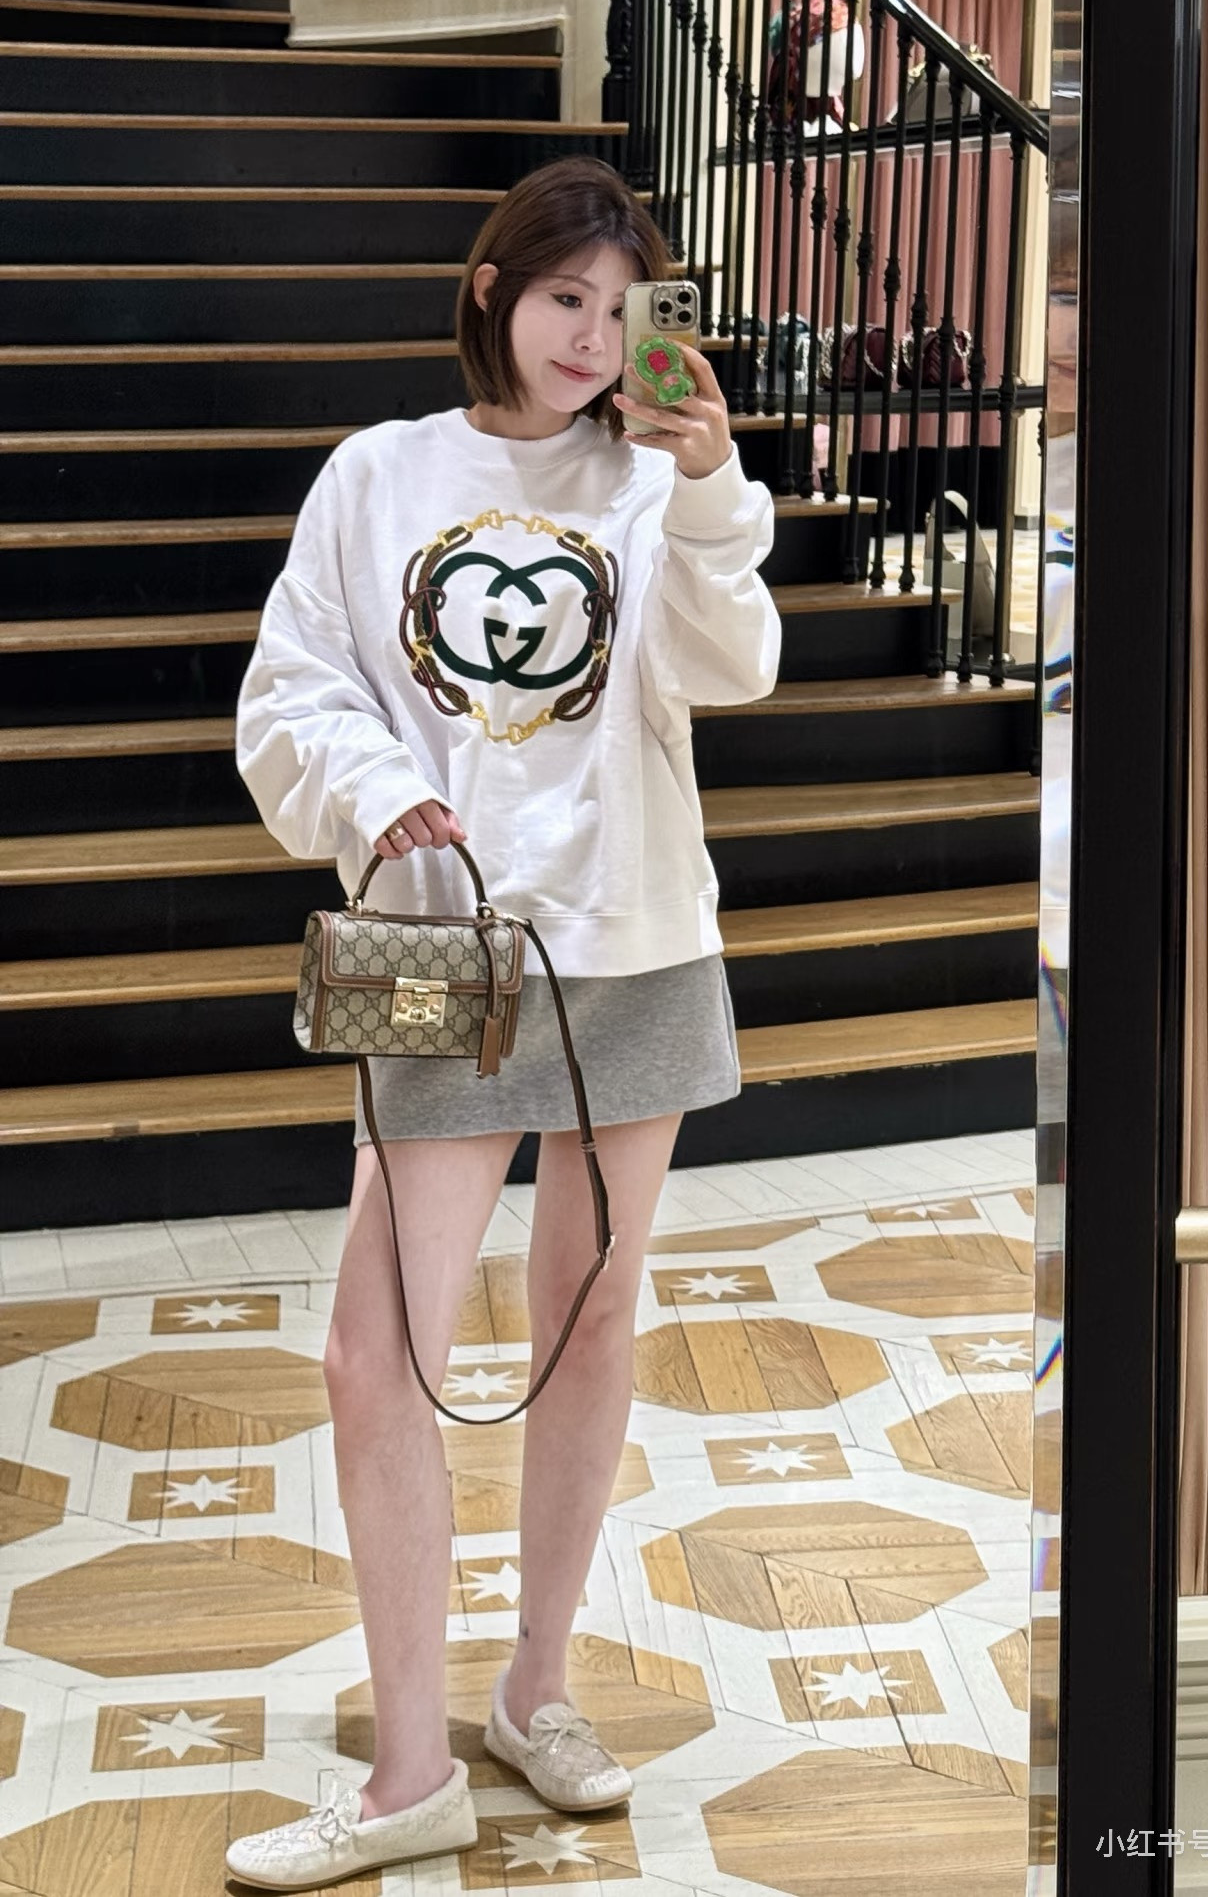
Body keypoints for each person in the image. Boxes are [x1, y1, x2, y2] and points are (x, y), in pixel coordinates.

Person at [224, 155, 780, 1890]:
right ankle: (410, 1769)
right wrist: (372, 785)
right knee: (376, 1349)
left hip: (635, 936)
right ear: (492, 291)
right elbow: (293, 688)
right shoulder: (380, 474)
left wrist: (710, 488)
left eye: (620, 311)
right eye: (563, 301)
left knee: (590, 1321)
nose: (592, 340)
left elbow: (735, 666)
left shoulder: (657, 483)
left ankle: (538, 1690)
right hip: (435, 943)